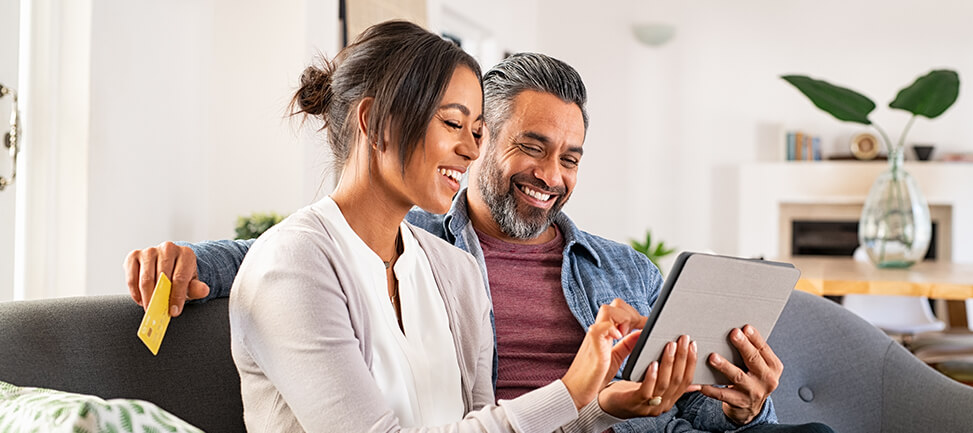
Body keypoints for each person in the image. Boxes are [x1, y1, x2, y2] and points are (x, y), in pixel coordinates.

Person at [126, 49, 832, 433]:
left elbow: (688, 408)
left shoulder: (623, 268)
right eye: (532, 146)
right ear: (481, 138)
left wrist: (743, 402)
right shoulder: (416, 237)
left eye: (572, 157)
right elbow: (292, 254)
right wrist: (189, 262)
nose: (551, 176)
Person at [203, 20, 698, 432]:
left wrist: (596, 403)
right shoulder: (291, 266)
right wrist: (568, 389)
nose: (471, 149)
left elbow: (482, 424)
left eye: (478, 130)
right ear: (375, 122)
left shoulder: (453, 270)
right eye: (453, 124)